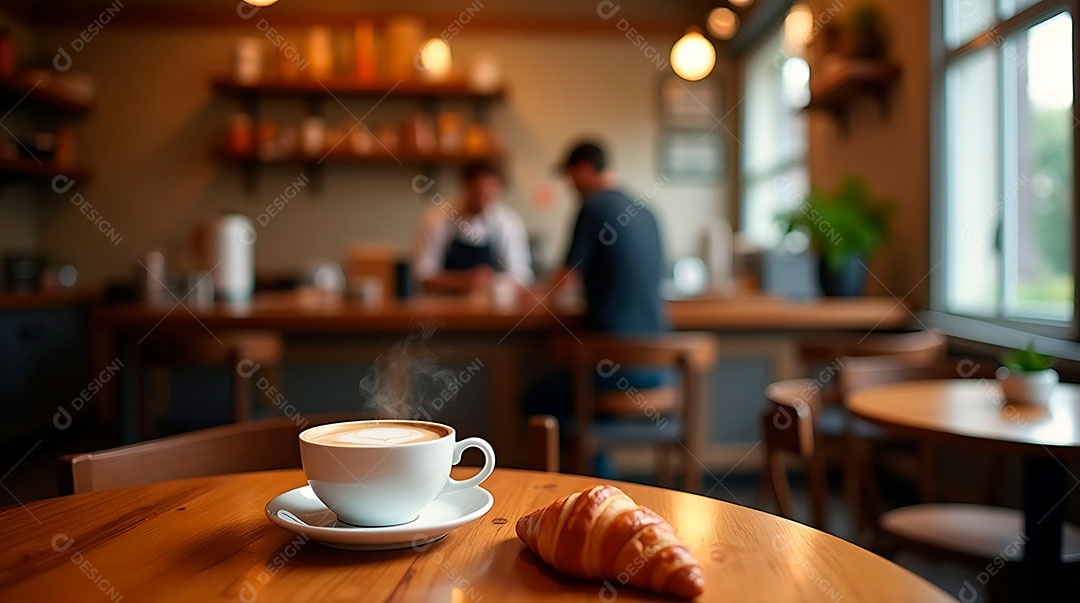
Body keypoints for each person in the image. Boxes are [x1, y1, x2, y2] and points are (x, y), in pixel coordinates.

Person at [525, 140, 672, 475]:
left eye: (570, 179)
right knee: (575, 399)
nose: (571, 188)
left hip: (615, 369)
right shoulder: (647, 212)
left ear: (584, 170)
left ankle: (589, 485)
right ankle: (603, 483)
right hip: (660, 368)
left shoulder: (592, 207)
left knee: (535, 400)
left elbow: (564, 282)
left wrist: (529, 295)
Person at [412, 159, 533, 293]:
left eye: (489, 192)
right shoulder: (436, 219)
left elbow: (522, 276)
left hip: (491, 309)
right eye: (478, 192)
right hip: (443, 305)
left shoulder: (508, 223)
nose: (483, 197)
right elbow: (422, 276)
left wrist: (492, 281)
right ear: (465, 185)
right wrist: (465, 280)